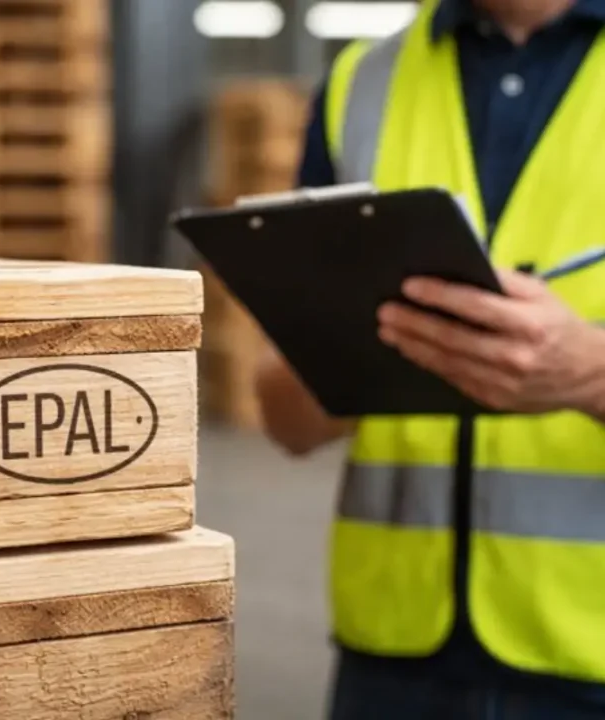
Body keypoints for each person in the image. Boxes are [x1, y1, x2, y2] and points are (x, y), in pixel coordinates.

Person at [254, 0, 605, 716]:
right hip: (390, 657)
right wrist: (332, 363)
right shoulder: (362, 80)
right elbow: (283, 416)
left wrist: (592, 372)